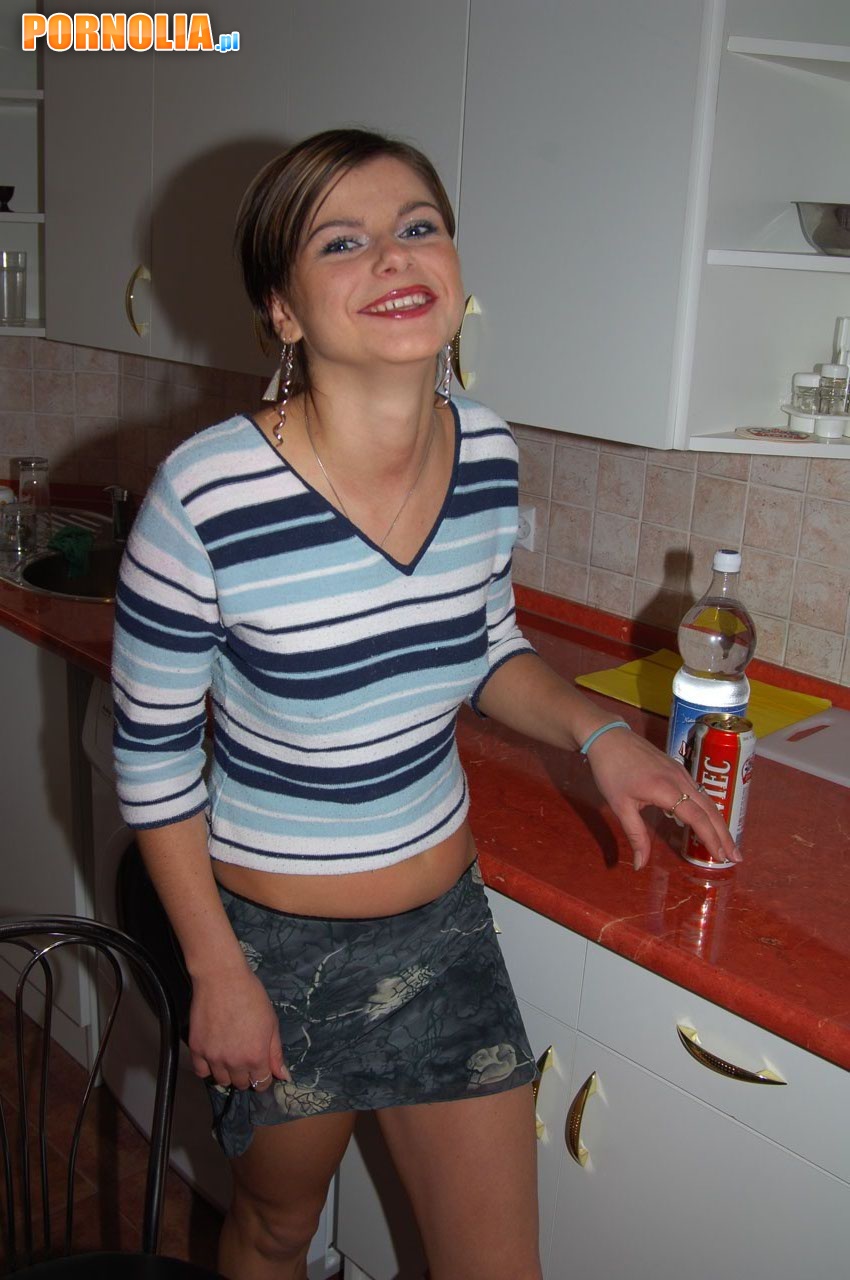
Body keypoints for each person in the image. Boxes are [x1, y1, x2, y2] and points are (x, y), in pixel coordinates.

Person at [111, 128, 738, 1280]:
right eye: (339, 242)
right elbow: (152, 767)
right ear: (282, 309)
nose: (392, 258)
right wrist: (218, 970)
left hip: (442, 928)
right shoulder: (202, 497)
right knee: (275, 1230)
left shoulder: (486, 450)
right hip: (274, 947)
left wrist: (599, 733)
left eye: (417, 227)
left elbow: (485, 644)